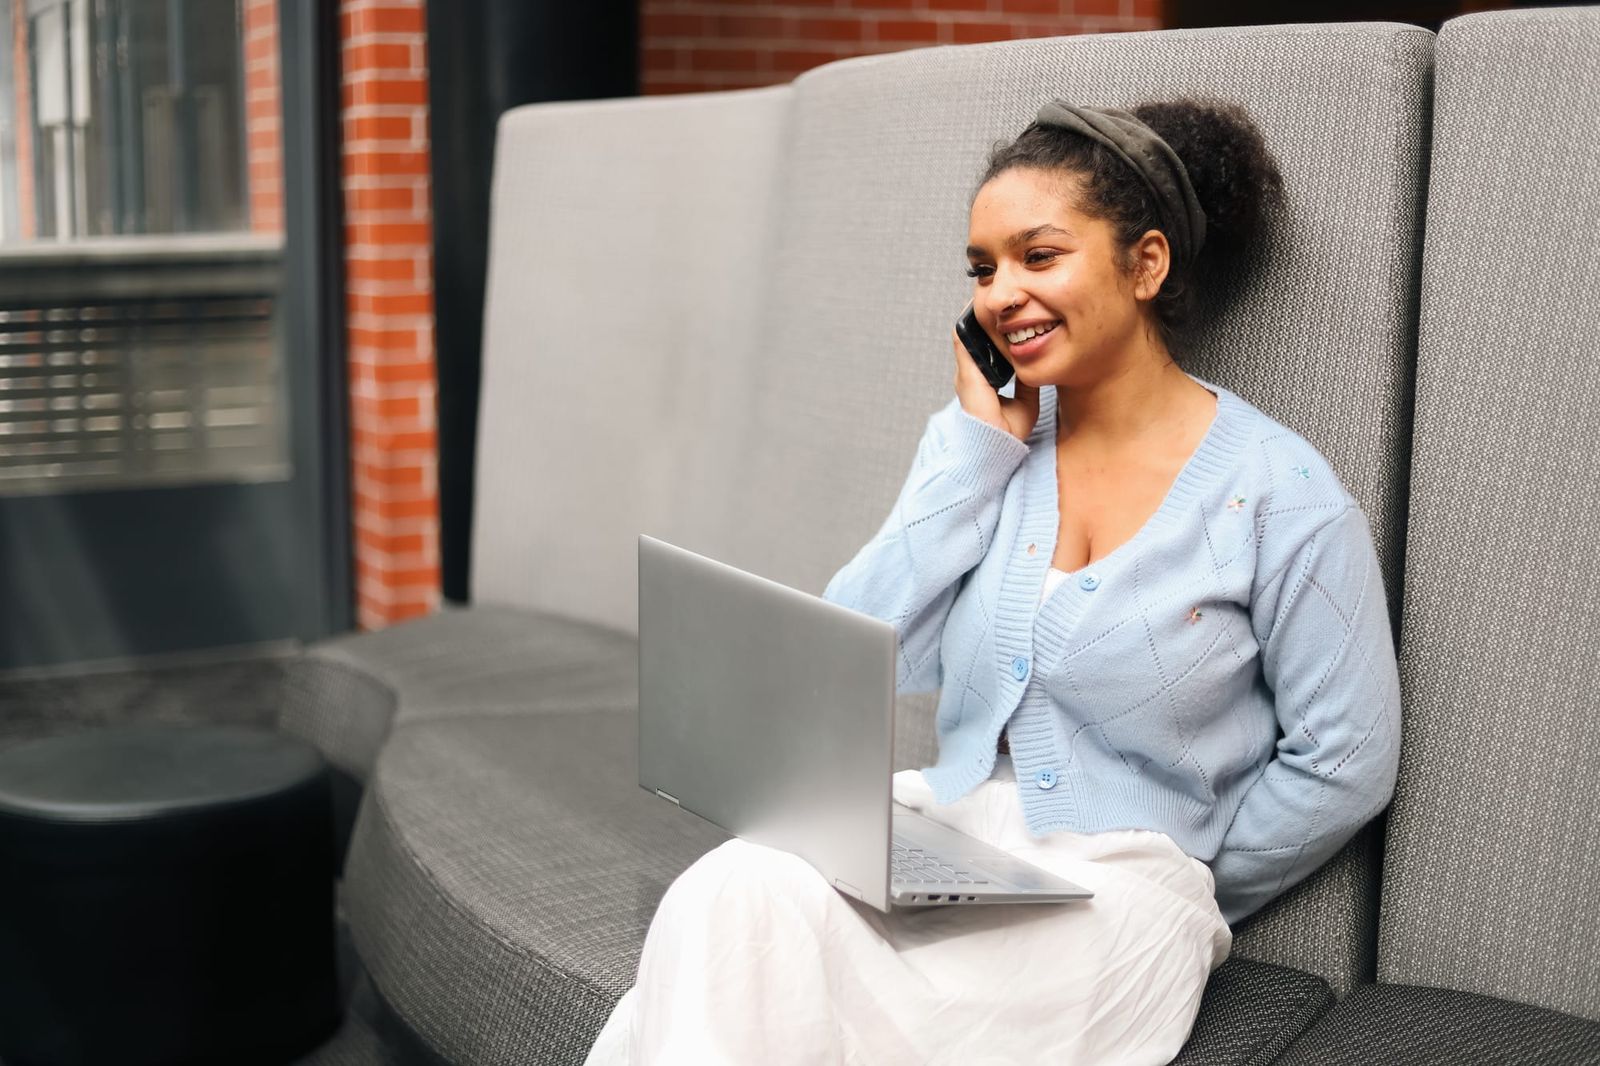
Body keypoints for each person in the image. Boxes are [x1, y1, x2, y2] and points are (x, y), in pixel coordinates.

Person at [584, 96, 1402, 1065]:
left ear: (1146, 264)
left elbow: (1347, 756)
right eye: (981, 269)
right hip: (938, 844)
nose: (999, 294)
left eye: (1037, 256)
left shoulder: (1284, 496)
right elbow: (854, 643)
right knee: (729, 894)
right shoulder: (990, 456)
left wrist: (1193, 868)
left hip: (1113, 902)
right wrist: (972, 452)